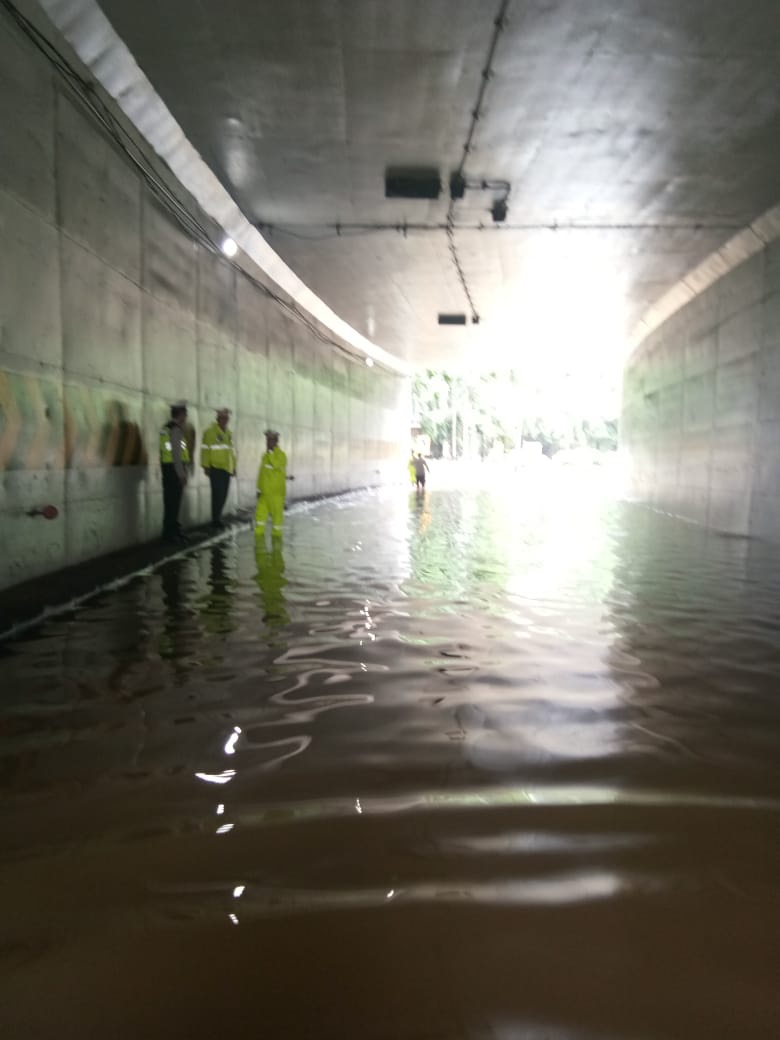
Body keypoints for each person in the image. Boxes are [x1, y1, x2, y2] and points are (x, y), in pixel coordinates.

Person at [200, 407, 236, 527]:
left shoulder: (229, 433)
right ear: (217, 419)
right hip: (215, 467)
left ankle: (218, 517)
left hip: (227, 468)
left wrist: (234, 467)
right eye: (222, 418)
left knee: (224, 494)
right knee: (217, 495)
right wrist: (205, 466)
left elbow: (232, 452)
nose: (225, 420)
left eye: (226, 418)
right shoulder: (210, 432)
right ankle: (215, 520)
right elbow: (205, 449)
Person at [159, 402, 190, 542]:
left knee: (170, 502)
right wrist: (181, 474)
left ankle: (172, 530)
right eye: (185, 414)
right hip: (174, 470)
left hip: (167, 469)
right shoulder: (176, 430)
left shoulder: (165, 428)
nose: (186, 417)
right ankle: (171, 533)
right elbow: (176, 454)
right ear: (181, 414)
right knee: (174, 502)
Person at [255, 429, 288, 539]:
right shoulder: (265, 456)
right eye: (267, 440)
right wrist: (259, 489)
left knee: (277, 520)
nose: (268, 443)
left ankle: (277, 545)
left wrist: (271, 452)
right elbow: (261, 473)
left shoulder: (281, 456)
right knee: (260, 518)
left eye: (271, 440)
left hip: (276, 494)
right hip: (264, 493)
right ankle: (259, 543)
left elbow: (275, 464)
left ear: (276, 442)